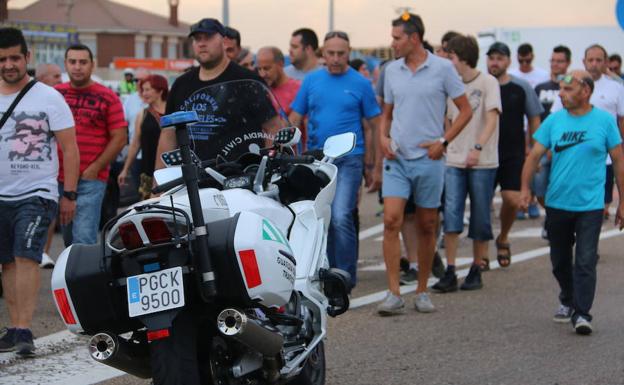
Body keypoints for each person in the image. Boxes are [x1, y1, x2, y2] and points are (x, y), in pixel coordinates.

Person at [375, 13, 471, 316]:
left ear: (413, 38)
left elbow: (465, 110)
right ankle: (393, 294)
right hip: (398, 158)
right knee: (391, 220)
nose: (392, 44)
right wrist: (382, 138)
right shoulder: (391, 71)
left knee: (428, 225)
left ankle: (422, 290)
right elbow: (386, 114)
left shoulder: (443, 69)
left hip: (429, 159)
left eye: (397, 38)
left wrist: (443, 142)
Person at [520, 70, 624, 335]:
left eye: (568, 90)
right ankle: (567, 296)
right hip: (558, 203)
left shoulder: (604, 121)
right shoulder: (554, 121)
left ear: (585, 91)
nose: (562, 95)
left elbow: (620, 161)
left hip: (590, 205)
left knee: (586, 260)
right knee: (559, 261)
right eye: (561, 90)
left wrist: (622, 201)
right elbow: (534, 157)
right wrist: (524, 189)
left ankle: (582, 313)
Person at [0, 27, 79, 356]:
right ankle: (14, 327)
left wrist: (69, 194)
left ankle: (24, 329)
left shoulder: (48, 97)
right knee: (6, 262)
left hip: (37, 192)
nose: (8, 64)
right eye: (2, 59)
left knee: (26, 256)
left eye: (15, 57)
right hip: (1, 194)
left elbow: (69, 148)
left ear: (27, 57)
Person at [289, 31, 381, 291]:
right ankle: (324, 272)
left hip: (350, 158)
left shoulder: (361, 83)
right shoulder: (312, 81)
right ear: (323, 54)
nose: (336, 59)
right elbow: (295, 117)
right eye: (331, 53)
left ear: (349, 53)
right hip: (318, 159)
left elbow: (374, 124)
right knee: (321, 218)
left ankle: (345, 278)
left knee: (341, 216)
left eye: (341, 53)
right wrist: (287, 149)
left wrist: (373, 165)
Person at [155, 18, 279, 166]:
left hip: (240, 179)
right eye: (197, 39)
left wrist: (270, 168)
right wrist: (159, 181)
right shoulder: (181, 84)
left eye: (208, 37)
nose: (201, 43)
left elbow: (273, 127)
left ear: (224, 41)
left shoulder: (247, 81)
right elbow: (168, 135)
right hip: (194, 180)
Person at [431, 35, 501, 293]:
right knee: (451, 214)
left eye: (451, 57)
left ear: (462, 58)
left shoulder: (488, 82)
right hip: (455, 159)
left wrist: (478, 147)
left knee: (481, 215)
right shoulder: (451, 84)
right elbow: (449, 117)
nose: (448, 62)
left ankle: (476, 267)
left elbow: (492, 118)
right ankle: (450, 269)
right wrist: (447, 144)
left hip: (483, 161)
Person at [56, 44, 127, 246]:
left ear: (92, 65)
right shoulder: (55, 94)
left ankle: (83, 277)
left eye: (83, 62)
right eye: (72, 62)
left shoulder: (108, 97)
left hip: (91, 178)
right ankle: (72, 275)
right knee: (67, 238)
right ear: (65, 64)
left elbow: (120, 137)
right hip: (57, 178)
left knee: (83, 238)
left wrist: (95, 168)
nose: (77, 67)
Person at [486, 41, 543, 268]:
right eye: (492, 58)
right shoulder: (482, 85)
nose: (495, 62)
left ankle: (503, 236)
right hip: (485, 154)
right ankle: (479, 255)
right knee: (483, 203)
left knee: (512, 200)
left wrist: (535, 149)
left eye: (500, 58)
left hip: (513, 153)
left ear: (508, 61)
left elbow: (534, 118)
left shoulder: (521, 87)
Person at [551, 45, 624, 220]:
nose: (594, 64)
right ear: (584, 62)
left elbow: (621, 121)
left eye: (599, 60)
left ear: (605, 62)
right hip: (573, 153)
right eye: (590, 60)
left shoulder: (616, 88)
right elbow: (555, 117)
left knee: (600, 205)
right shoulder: (569, 85)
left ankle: (589, 241)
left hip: (604, 156)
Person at [533, 45, 572, 239]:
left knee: (563, 186)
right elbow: (534, 118)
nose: (556, 64)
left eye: (560, 61)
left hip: (565, 146)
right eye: (553, 61)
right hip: (544, 145)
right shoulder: (540, 88)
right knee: (539, 186)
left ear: (568, 63)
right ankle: (551, 216)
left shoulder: (573, 89)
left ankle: (557, 222)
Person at [118, 75, 168, 200]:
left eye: (147, 90)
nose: (143, 93)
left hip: (170, 172)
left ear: (160, 90)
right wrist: (125, 169)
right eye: (143, 90)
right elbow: (135, 144)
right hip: (148, 172)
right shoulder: (143, 114)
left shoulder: (173, 111)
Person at [35, 62, 64, 268]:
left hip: (53, 168)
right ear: (43, 78)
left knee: (49, 209)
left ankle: (44, 252)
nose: (60, 80)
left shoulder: (56, 98)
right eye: (55, 76)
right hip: (28, 169)